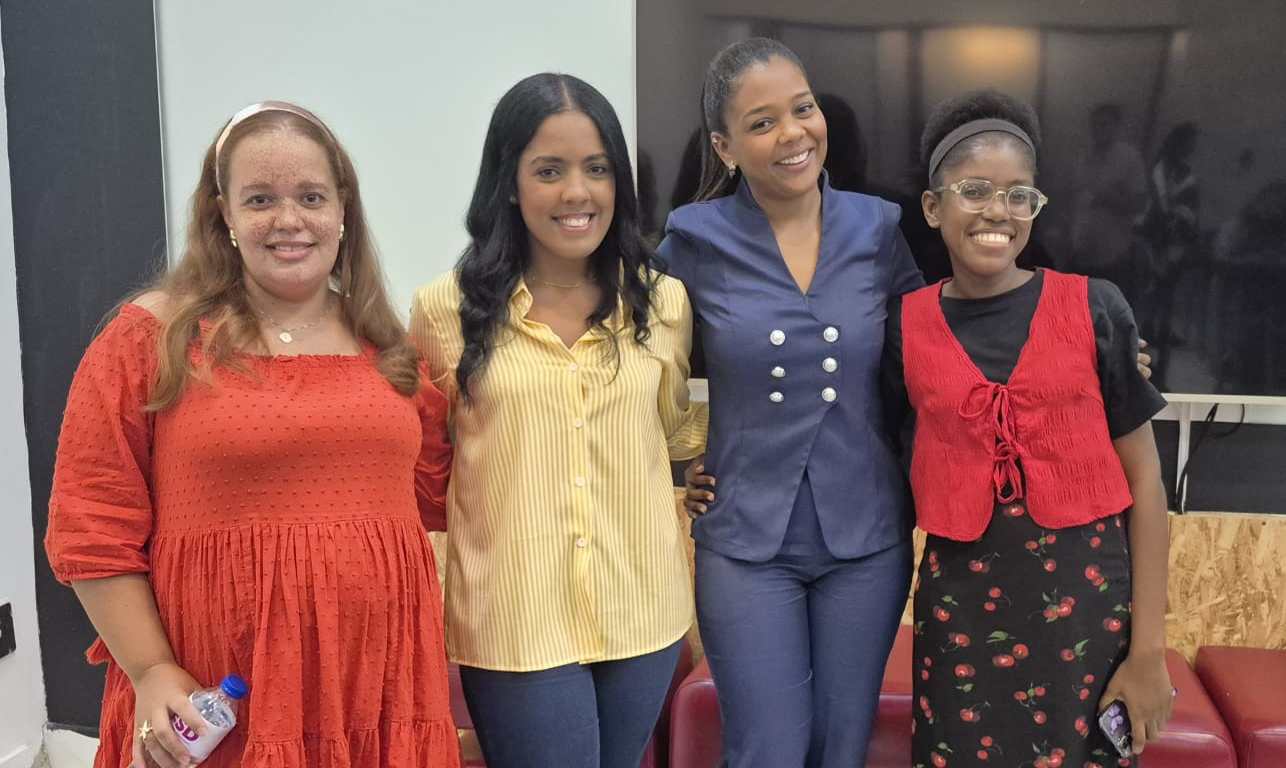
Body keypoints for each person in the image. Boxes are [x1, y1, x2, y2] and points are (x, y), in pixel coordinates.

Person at [44, 102, 459, 768]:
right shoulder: (152, 337)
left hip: (378, 689)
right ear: (224, 215)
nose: (289, 219)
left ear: (343, 210)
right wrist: (150, 668)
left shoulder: (388, 348)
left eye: (311, 197)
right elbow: (92, 526)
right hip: (219, 689)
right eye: (260, 199)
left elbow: (445, 492)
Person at [409, 73, 707, 768]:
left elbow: (671, 433)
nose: (578, 192)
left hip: (642, 609)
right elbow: (428, 462)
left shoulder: (664, 303)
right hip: (515, 620)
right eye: (549, 171)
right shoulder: (443, 311)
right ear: (509, 184)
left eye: (597, 169)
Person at [882, 89, 1174, 767]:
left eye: (1020, 195)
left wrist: (1149, 652)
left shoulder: (1096, 308)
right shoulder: (904, 327)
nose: (999, 211)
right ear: (933, 207)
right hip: (960, 620)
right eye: (974, 190)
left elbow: (1147, 482)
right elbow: (878, 457)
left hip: (1086, 615)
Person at [658, 38, 924, 767]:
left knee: (841, 749)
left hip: (866, 536)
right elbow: (628, 360)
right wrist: (677, 460)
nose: (793, 133)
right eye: (762, 122)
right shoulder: (694, 240)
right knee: (766, 750)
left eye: (802, 109)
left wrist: (1083, 353)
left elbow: (931, 350)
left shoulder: (878, 228)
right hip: (746, 541)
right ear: (725, 147)